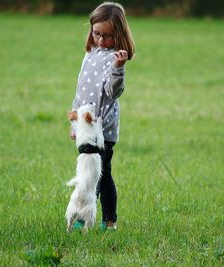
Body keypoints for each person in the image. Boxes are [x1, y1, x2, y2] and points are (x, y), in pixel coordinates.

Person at [69, 2, 135, 231]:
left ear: (118, 34)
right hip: (85, 129)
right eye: (96, 33)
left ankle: (84, 219)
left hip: (102, 130)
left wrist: (118, 66)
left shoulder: (115, 58)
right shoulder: (90, 54)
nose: (100, 40)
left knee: (93, 174)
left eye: (107, 36)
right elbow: (80, 91)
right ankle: (108, 219)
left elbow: (113, 91)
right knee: (101, 176)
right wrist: (74, 122)